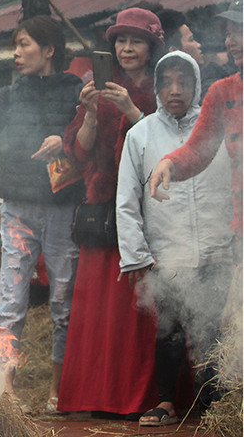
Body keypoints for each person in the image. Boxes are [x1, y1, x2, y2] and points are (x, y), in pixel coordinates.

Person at [0, 16, 84, 409]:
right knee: (11, 300)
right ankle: (6, 387)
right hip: (17, 206)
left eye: (24, 45)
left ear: (49, 50)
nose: (17, 54)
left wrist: (66, 141)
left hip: (63, 209)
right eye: (17, 45)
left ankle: (59, 389)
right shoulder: (9, 95)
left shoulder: (76, 92)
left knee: (63, 301)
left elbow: (94, 143)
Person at [117, 51, 235, 427]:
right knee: (169, 329)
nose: (175, 90)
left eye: (184, 81)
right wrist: (136, 256)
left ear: (197, 84)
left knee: (214, 328)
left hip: (219, 246)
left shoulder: (215, 125)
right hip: (167, 252)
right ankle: (166, 401)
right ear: (155, 86)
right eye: (166, 82)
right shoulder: (141, 134)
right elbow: (126, 201)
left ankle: (217, 406)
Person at [59, 7, 165, 416]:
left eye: (135, 41)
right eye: (120, 41)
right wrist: (89, 112)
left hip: (145, 215)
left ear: (152, 46)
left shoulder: (163, 89)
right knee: (99, 312)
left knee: (134, 313)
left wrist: (132, 113)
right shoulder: (101, 88)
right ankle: (96, 397)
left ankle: (138, 398)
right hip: (101, 214)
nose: (126, 48)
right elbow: (79, 151)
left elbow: (165, 149)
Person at [150, 0, 243, 237]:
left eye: (239, 32)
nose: (231, 42)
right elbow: (198, 150)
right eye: (228, 34)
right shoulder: (222, 92)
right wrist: (169, 163)